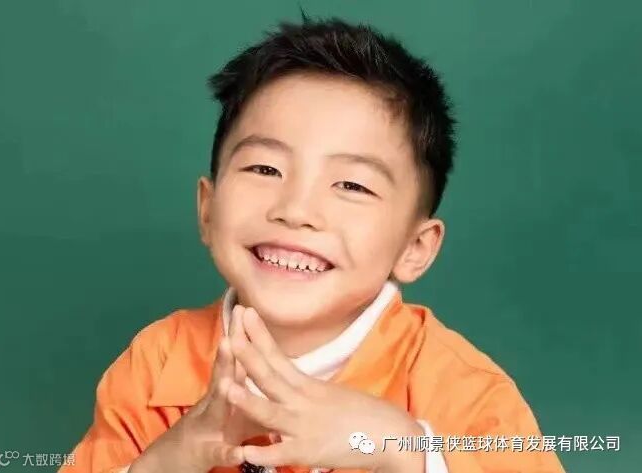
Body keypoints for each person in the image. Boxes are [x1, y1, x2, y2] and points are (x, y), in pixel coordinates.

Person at [60, 16, 565, 473]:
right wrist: (173, 457)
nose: (296, 209)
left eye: (352, 185)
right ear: (208, 210)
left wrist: (401, 449)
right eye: (265, 168)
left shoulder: (460, 386)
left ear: (415, 248)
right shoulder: (154, 363)